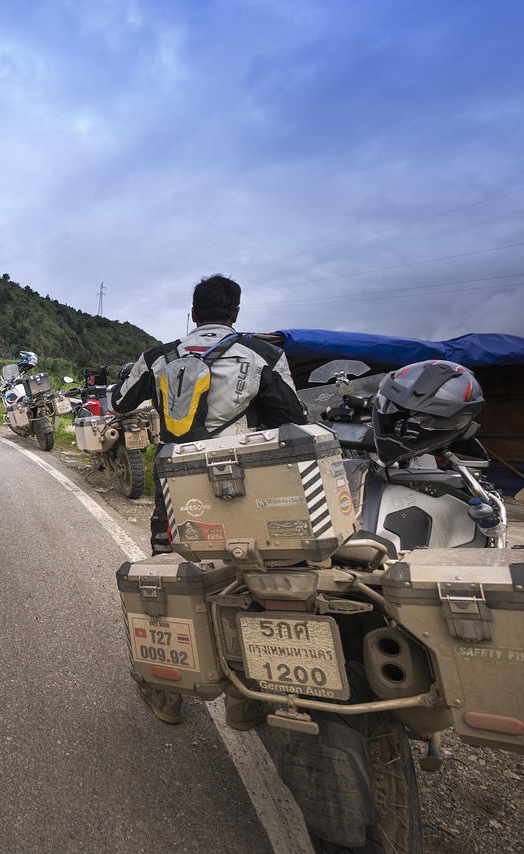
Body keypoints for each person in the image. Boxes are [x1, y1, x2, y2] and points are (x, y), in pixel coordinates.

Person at [110, 274, 306, 728]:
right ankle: (245, 697)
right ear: (235, 314)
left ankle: (168, 692)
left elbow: (120, 401)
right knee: (247, 570)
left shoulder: (158, 356)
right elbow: (294, 419)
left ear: (193, 313)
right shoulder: (263, 355)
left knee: (170, 573)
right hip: (240, 483)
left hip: (174, 483)